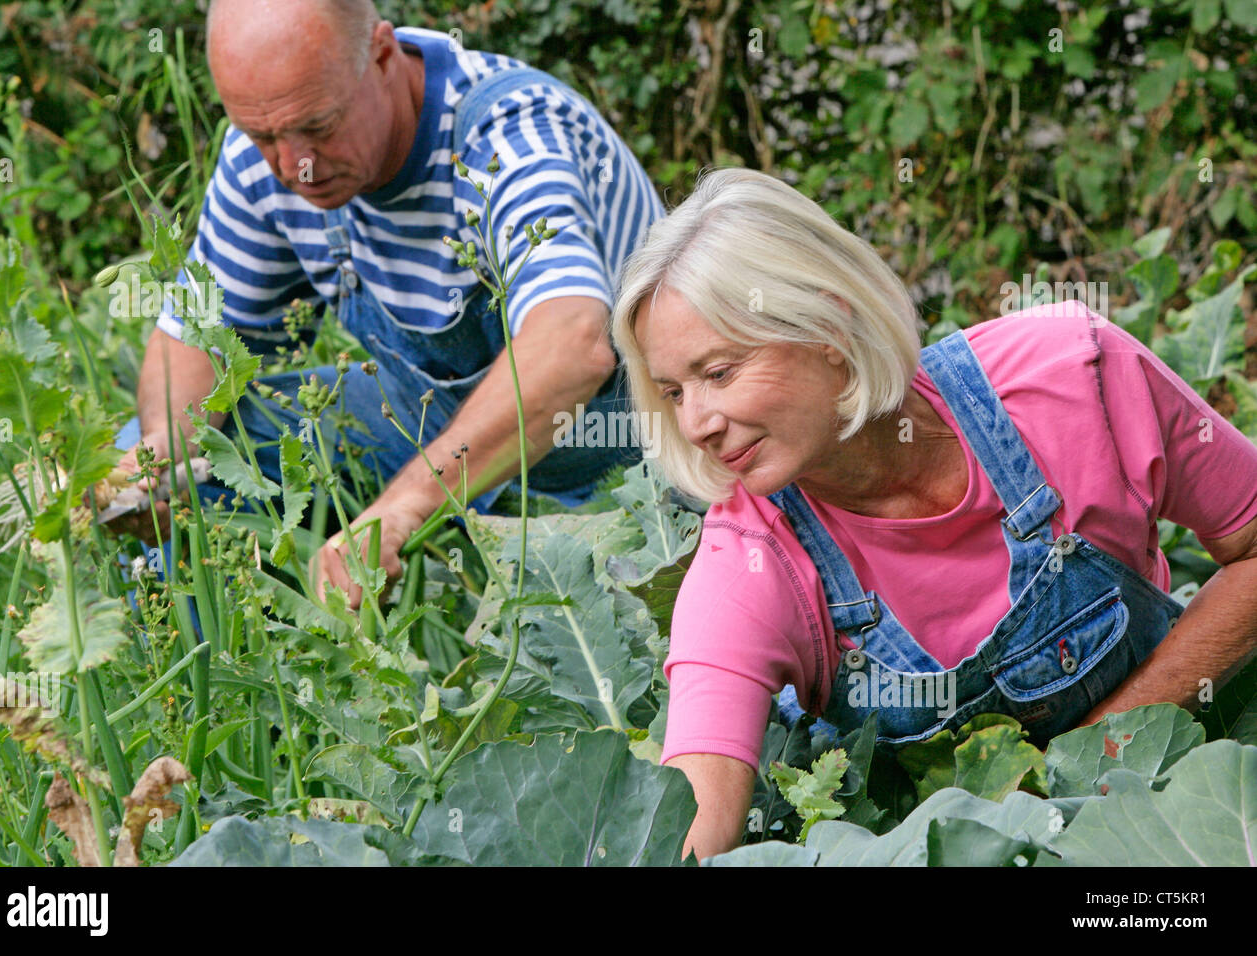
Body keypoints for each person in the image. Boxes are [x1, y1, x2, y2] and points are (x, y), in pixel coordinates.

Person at [609, 167, 1257, 862]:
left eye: (719, 372)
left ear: (828, 325)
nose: (697, 422)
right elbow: (691, 822)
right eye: (674, 392)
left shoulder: (1069, 377)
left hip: (1170, 822)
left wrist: (1097, 753)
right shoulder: (748, 559)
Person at [112, 0, 663, 605]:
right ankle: (214, 687)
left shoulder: (508, 131)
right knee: (162, 458)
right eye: (262, 135)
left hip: (611, 452)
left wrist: (401, 506)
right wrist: (164, 457)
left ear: (381, 55)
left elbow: (572, 347)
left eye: (319, 126)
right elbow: (196, 333)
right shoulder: (266, 159)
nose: (295, 166)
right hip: (417, 417)